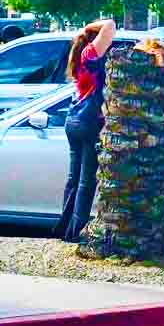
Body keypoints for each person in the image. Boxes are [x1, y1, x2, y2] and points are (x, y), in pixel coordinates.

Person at [53, 18, 116, 243]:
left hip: (73, 121)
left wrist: (86, 30)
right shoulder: (90, 54)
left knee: (74, 178)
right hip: (90, 122)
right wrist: (91, 28)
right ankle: (76, 232)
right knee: (86, 181)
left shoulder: (79, 56)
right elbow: (110, 24)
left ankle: (64, 228)